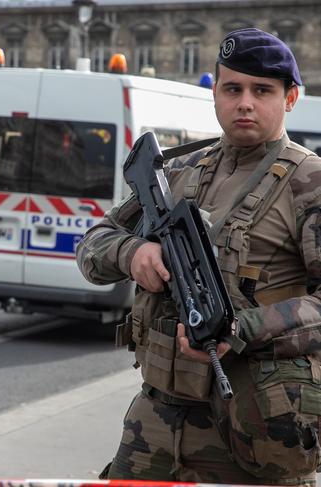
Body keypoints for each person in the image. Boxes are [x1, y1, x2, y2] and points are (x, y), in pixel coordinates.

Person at [77, 28, 321, 485]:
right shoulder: (180, 172)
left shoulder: (310, 183)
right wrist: (134, 254)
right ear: (215, 94)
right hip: (156, 418)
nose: (244, 103)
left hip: (256, 428)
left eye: (262, 90)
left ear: (290, 98)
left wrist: (245, 328)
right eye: (232, 89)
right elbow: (92, 244)